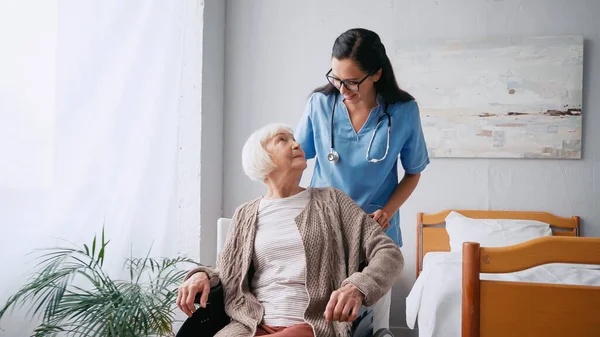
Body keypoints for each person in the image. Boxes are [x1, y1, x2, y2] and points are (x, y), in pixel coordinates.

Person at [176, 123, 404, 337]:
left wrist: (357, 286)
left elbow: (388, 253)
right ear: (261, 158)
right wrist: (201, 275)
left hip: (313, 326)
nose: (297, 144)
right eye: (282, 140)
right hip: (249, 326)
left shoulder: (332, 201)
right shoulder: (244, 214)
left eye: (295, 139)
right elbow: (227, 273)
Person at [294, 28, 430, 330]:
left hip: (375, 235)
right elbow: (296, 160)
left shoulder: (404, 112)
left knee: (370, 325)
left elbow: (413, 171)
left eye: (352, 81)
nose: (342, 88)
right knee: (321, 321)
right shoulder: (319, 105)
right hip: (325, 232)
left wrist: (388, 211)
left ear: (377, 74)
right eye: (336, 78)